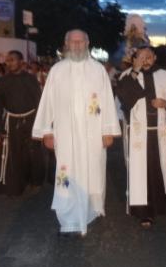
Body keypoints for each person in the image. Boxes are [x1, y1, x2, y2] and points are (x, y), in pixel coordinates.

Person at [32, 30, 120, 237]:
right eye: (74, 41)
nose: (78, 45)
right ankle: (69, 218)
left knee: (92, 170)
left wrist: (108, 130)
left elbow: (107, 101)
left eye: (81, 42)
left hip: (93, 134)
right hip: (65, 133)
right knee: (67, 172)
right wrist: (47, 131)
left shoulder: (98, 70)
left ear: (88, 43)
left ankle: (90, 211)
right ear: (66, 44)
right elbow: (47, 102)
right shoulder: (57, 70)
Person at [116, 45, 166, 228]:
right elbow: (124, 97)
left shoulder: (165, 75)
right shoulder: (127, 75)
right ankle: (144, 212)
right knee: (141, 172)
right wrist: (135, 71)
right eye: (141, 57)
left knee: (157, 169)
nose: (146, 60)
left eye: (149, 56)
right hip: (139, 133)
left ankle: (157, 205)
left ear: (154, 58)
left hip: (160, 132)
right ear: (135, 58)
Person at [0, 50, 44, 196]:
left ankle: (35, 181)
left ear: (21, 62)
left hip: (31, 120)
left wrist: (40, 125)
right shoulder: (2, 81)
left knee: (32, 153)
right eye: (8, 60)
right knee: (13, 155)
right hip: (11, 121)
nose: (10, 63)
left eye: (13, 60)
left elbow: (39, 101)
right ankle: (15, 185)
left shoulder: (31, 79)